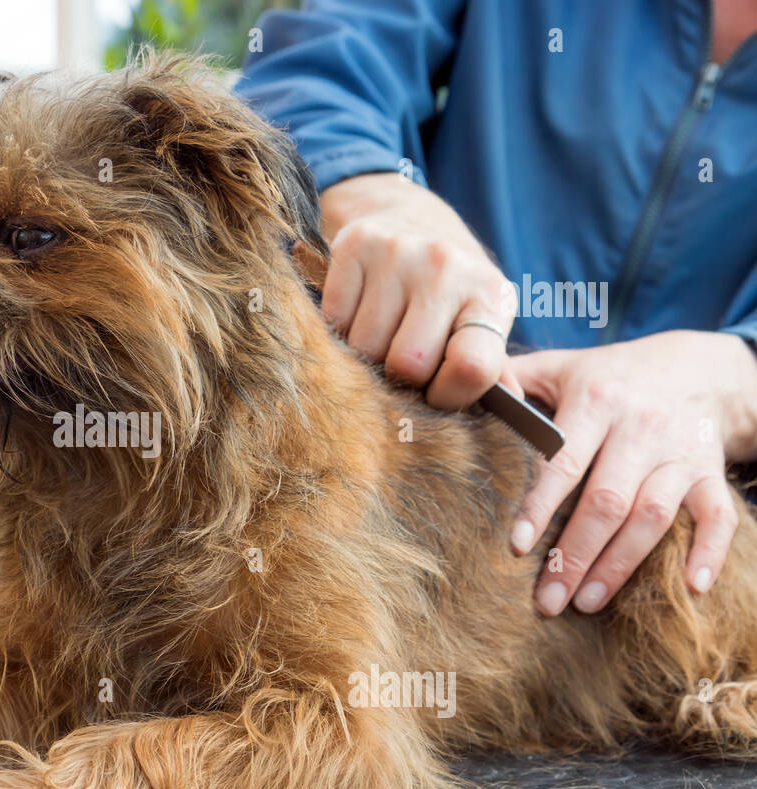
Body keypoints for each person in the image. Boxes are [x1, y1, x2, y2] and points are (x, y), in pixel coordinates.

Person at [236, 0, 757, 617]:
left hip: (692, 584)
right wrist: (369, 191)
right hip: (383, 484)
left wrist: (733, 378)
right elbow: (315, 63)